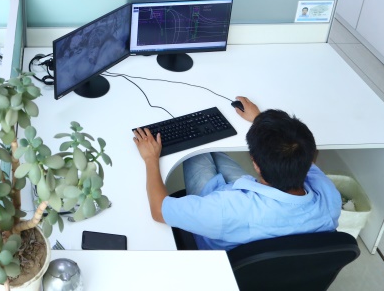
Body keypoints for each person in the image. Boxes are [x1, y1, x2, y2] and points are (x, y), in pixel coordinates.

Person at [133, 97, 341, 251]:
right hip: (250, 215)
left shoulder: (226, 209)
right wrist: (262, 122)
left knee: (196, 152)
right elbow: (299, 153)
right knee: (210, 148)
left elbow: (159, 211)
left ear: (256, 164)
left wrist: (151, 159)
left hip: (222, 224)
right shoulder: (329, 196)